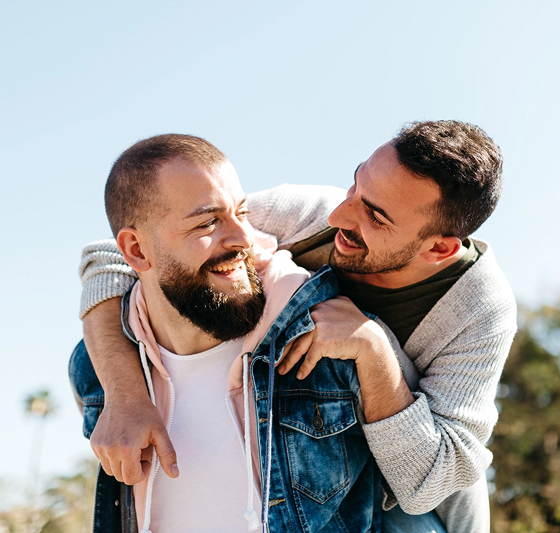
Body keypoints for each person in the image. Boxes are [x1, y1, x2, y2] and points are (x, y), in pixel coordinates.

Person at [77, 120, 517, 532]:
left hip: (420, 497)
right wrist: (125, 394)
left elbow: (433, 480)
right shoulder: (308, 215)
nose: (341, 217)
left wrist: (374, 347)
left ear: (440, 249)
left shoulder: (479, 308)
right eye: (356, 184)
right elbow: (120, 250)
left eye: (376, 217)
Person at [70, 134, 384, 533]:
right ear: (135, 250)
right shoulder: (95, 366)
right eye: (207, 222)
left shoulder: (336, 337)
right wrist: (123, 392)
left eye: (243, 213)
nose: (241, 238)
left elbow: (427, 492)